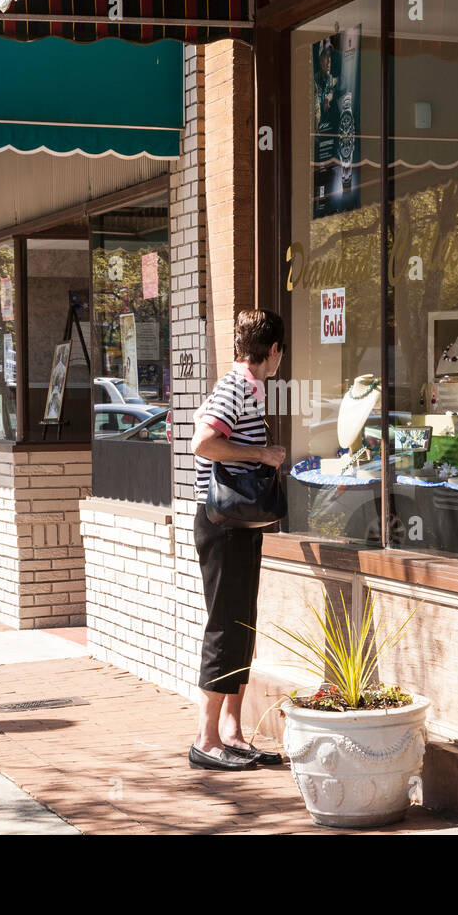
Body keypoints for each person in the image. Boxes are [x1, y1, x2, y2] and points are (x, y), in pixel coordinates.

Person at [188, 309, 288, 770]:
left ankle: (231, 730)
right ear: (274, 351)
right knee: (225, 625)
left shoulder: (248, 385)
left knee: (241, 623)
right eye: (279, 353)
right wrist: (262, 453)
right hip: (223, 524)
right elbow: (203, 442)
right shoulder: (236, 386)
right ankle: (206, 740)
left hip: (239, 524)